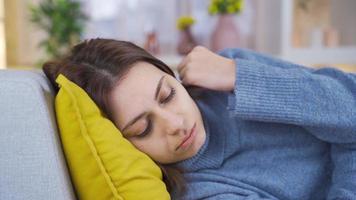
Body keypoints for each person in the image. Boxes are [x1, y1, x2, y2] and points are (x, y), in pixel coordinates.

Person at [43, 38, 356, 200]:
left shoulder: (231, 72)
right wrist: (344, 136)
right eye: (144, 128)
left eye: (167, 95)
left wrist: (238, 75)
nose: (175, 124)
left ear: (174, 77)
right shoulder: (204, 192)